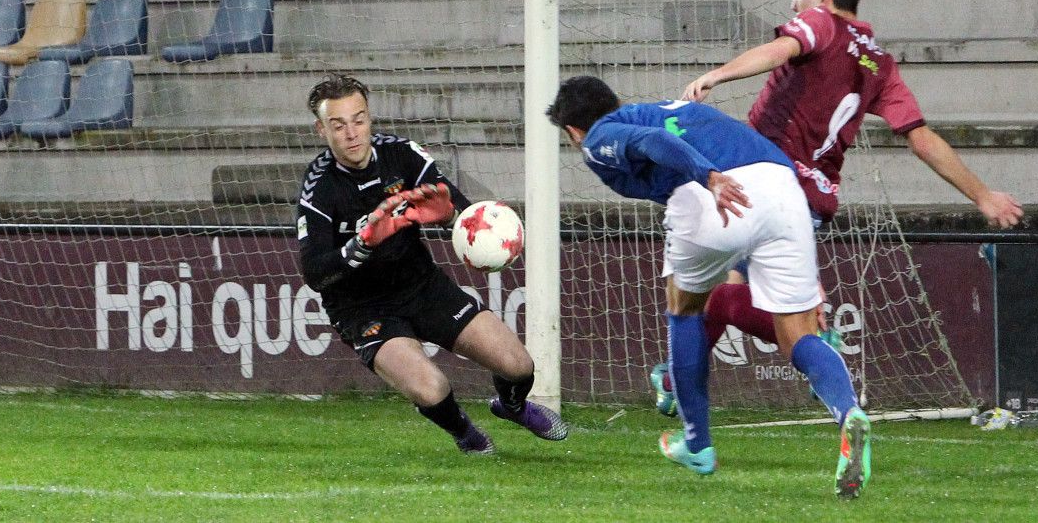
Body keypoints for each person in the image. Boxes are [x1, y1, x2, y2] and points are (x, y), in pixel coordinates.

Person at [650, 0, 1025, 416]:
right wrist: (984, 196)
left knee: (716, 292)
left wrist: (718, 75)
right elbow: (921, 138)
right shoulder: (879, 62)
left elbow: (780, 47)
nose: (793, 4)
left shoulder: (821, 23)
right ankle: (675, 376)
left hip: (765, 178)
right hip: (812, 199)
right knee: (730, 282)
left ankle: (796, 349)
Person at [548, 75, 871, 499]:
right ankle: (849, 413)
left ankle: (697, 444)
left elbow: (651, 143)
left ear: (573, 131)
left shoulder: (599, 135)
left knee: (684, 309)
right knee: (797, 335)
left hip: (716, 192)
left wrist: (710, 177)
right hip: (784, 191)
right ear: (618, 99)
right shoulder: (664, 107)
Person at [297, 73, 567, 455]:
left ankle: (512, 407)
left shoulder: (402, 155)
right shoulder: (319, 188)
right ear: (320, 129)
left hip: (422, 287)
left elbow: (463, 214)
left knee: (518, 365)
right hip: (361, 308)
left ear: (370, 118)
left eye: (359, 120)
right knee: (432, 387)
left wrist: (450, 216)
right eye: (338, 125)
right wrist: (362, 245)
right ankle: (466, 434)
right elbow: (315, 273)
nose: (352, 133)